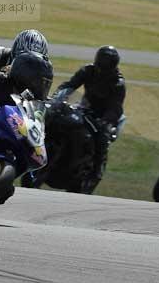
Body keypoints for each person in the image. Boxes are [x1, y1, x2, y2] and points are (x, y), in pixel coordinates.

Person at [51, 45, 126, 193]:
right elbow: (70, 85)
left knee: (101, 138)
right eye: (100, 65)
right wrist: (58, 96)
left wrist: (105, 121)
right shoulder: (88, 70)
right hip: (84, 108)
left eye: (106, 66)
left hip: (102, 116)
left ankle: (96, 172)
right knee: (56, 119)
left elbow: (115, 107)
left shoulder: (118, 83)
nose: (102, 69)